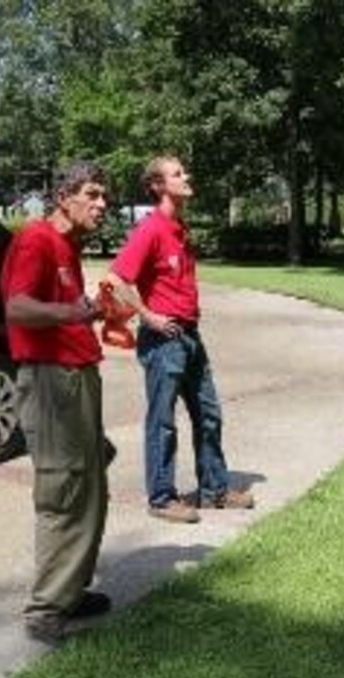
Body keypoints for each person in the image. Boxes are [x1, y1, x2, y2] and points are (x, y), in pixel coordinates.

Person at [0, 161, 113, 643]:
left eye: (104, 195)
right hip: (50, 383)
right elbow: (18, 306)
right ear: (64, 197)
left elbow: (61, 308)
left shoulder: (67, 244)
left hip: (75, 376)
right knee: (63, 490)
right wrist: (73, 312)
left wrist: (93, 311)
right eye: (92, 194)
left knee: (90, 484)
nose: (101, 203)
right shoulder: (36, 239)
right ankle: (45, 609)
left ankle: (70, 590)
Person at [105, 156, 253, 523]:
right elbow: (117, 279)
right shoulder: (151, 229)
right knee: (163, 421)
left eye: (184, 171)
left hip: (189, 335)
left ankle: (214, 490)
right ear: (158, 186)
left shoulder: (178, 228)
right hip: (164, 341)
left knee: (208, 413)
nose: (186, 177)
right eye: (177, 174)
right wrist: (149, 316)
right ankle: (162, 497)